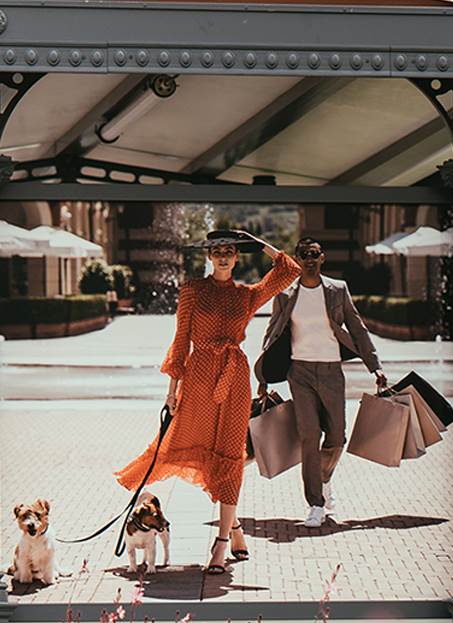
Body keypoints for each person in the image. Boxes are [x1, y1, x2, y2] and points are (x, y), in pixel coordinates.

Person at [116, 228, 300, 573]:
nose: (224, 255)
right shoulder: (192, 291)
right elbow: (181, 339)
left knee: (231, 455)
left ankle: (221, 544)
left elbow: (290, 271)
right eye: (217, 250)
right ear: (208, 256)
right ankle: (235, 528)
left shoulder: (246, 295)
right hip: (198, 377)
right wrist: (172, 391)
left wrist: (259, 243)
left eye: (230, 250)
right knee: (195, 449)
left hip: (234, 379)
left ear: (237, 255)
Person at [256, 236, 387, 528]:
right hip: (299, 373)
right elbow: (273, 332)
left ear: (322, 257)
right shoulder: (286, 293)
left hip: (330, 373)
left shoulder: (337, 290)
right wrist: (263, 376)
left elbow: (358, 328)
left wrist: (374, 366)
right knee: (308, 437)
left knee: (337, 436)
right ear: (298, 259)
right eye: (303, 255)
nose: (309, 259)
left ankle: (325, 478)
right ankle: (315, 503)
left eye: (314, 254)